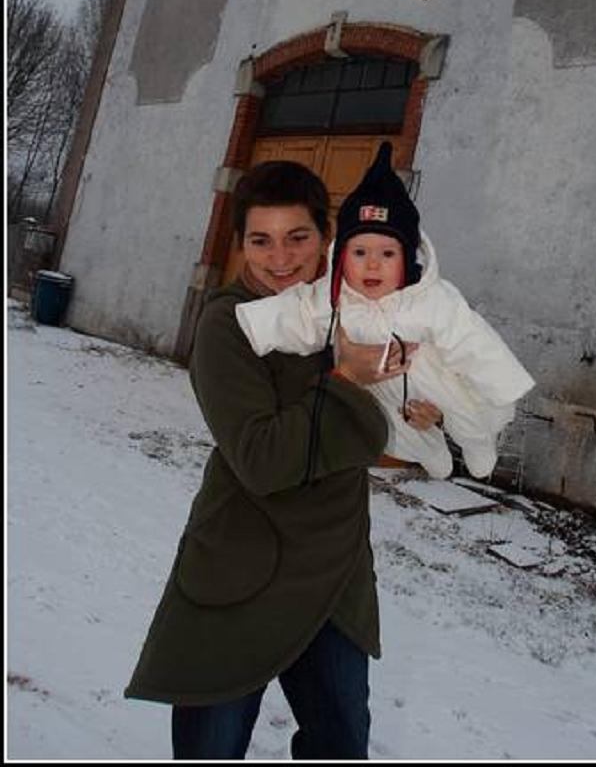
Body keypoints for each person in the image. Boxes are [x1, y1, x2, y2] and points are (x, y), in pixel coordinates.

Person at [124, 159, 441, 760]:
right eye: (259, 241)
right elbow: (263, 459)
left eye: (298, 237)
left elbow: (388, 431)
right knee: (211, 748)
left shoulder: (360, 310)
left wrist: (429, 416)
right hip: (238, 568)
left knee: (340, 744)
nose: (280, 259)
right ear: (239, 243)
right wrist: (348, 379)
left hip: (334, 572)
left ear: (326, 236)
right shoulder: (227, 323)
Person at [236, 142, 535, 481]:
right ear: (340, 256)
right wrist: (254, 325)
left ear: (407, 259)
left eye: (388, 254)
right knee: (392, 427)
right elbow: (297, 314)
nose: (373, 264)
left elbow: (470, 338)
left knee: (460, 407)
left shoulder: (430, 298)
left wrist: (500, 385)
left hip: (430, 378)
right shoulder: (332, 298)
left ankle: (476, 442)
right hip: (377, 387)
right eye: (360, 252)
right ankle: (429, 452)